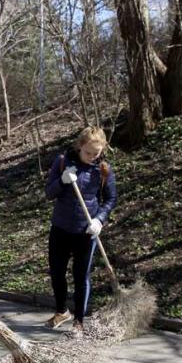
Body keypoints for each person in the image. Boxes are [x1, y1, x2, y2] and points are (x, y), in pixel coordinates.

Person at [43, 126, 117, 331]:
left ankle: (79, 321)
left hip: (86, 231)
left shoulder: (103, 170)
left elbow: (110, 199)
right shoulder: (62, 162)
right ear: (79, 146)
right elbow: (49, 193)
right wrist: (63, 181)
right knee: (57, 272)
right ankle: (61, 312)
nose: (92, 157)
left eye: (97, 153)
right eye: (88, 152)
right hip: (60, 228)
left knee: (81, 276)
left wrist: (99, 220)